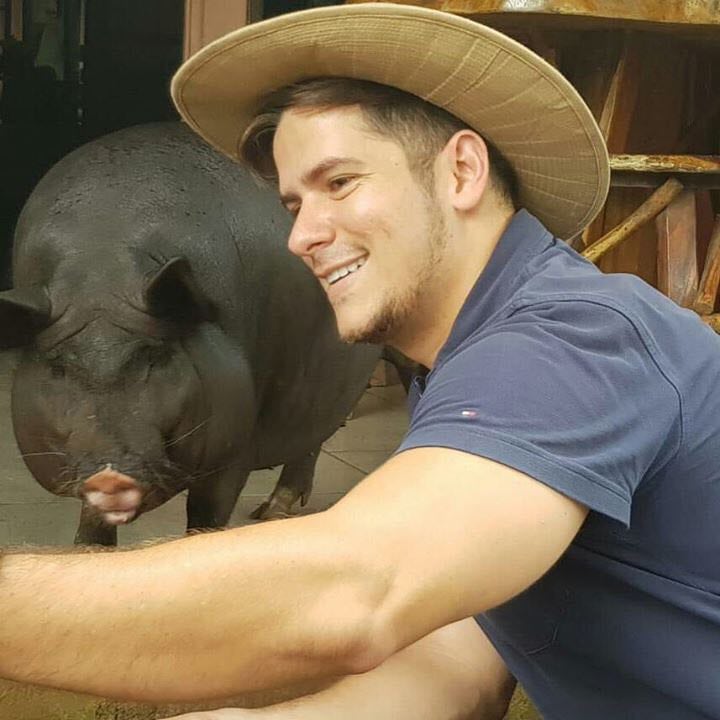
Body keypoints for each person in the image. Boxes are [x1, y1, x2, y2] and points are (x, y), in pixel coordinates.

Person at [1, 4, 719, 719]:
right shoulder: (464, 370)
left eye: (340, 183)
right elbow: (458, 664)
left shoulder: (570, 341)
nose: (302, 237)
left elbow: (357, 594)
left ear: (462, 172)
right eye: (293, 205)